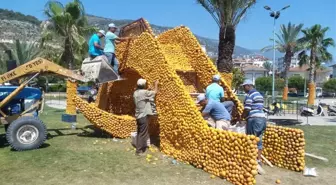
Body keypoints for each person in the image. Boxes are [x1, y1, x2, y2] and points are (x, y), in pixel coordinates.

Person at [240, 79, 266, 174]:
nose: (243, 89)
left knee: (251, 139)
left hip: (254, 119)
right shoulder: (259, 94)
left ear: (248, 86)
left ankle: (251, 161)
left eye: (244, 87)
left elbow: (247, 109)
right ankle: (258, 160)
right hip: (262, 119)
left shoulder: (250, 95)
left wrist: (241, 117)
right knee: (258, 139)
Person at [133, 78, 159, 156]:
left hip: (138, 115)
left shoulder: (136, 92)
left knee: (139, 132)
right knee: (143, 133)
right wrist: (156, 84)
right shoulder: (144, 92)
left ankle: (138, 147)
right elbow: (155, 92)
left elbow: (143, 95)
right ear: (144, 85)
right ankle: (139, 151)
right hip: (143, 116)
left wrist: (148, 90)